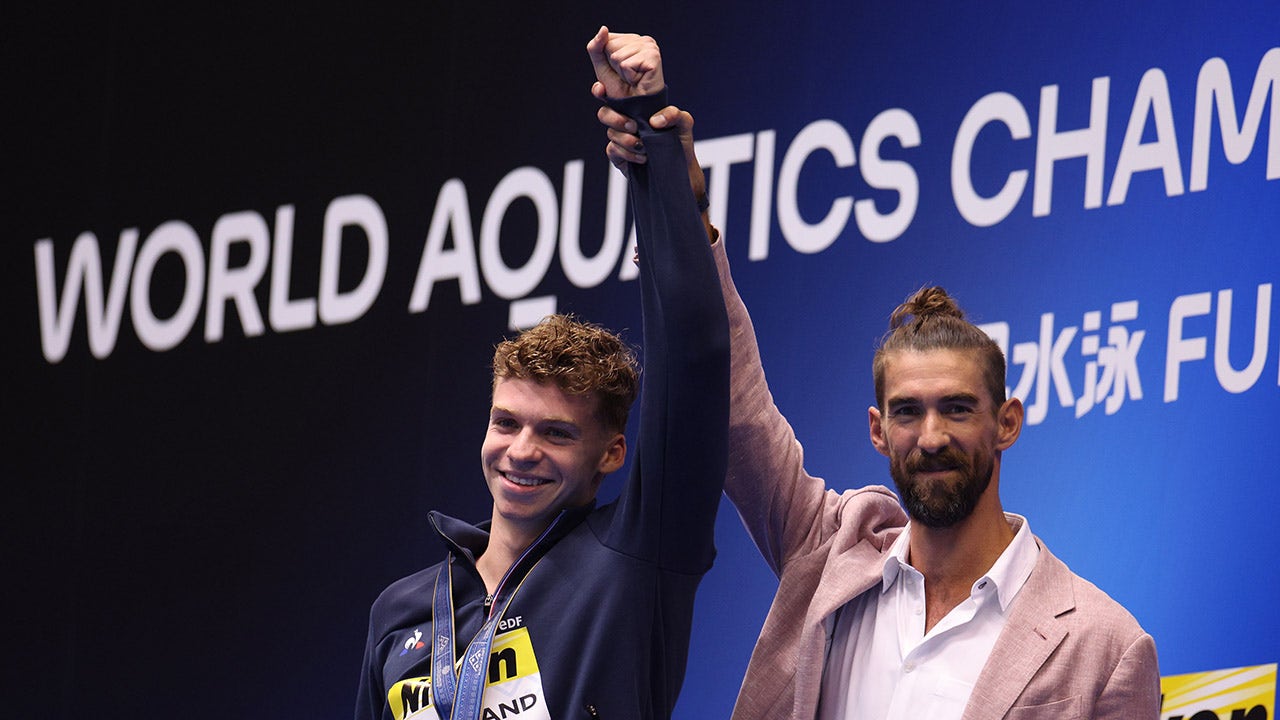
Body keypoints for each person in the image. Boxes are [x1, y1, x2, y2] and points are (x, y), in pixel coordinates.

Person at [597, 47, 1161, 720]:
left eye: (957, 408)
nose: (931, 437)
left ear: (1006, 421)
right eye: (907, 412)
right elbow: (736, 405)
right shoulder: (830, 554)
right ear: (877, 429)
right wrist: (678, 200)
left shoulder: (1103, 644)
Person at [355, 27, 729, 720]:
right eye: (506, 422)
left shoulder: (637, 557)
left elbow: (697, 354)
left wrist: (653, 155)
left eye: (557, 433)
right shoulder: (401, 612)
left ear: (611, 452)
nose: (521, 450)